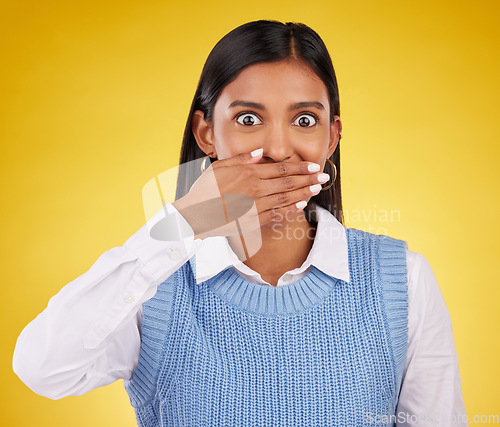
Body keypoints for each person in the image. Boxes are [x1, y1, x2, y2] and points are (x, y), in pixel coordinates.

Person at [13, 19, 467, 426]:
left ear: (332, 138)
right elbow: (44, 369)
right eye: (249, 119)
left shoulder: (402, 278)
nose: (278, 148)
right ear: (207, 133)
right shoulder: (155, 281)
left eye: (304, 119)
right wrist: (185, 223)